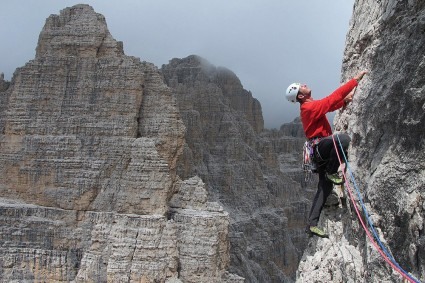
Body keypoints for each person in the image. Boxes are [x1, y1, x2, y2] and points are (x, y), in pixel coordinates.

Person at [286, 70, 367, 237]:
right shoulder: (308, 107)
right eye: (302, 86)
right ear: (300, 96)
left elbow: (329, 106)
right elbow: (330, 101)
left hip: (319, 151)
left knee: (324, 187)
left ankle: (311, 224)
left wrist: (343, 102)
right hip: (321, 147)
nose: (305, 85)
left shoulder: (310, 107)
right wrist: (355, 80)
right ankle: (331, 171)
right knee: (342, 140)